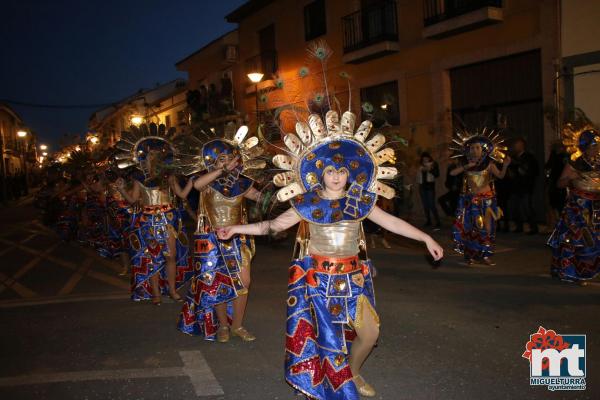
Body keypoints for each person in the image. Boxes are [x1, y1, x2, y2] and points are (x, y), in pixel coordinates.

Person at [218, 110, 443, 399]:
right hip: (318, 281)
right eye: (330, 171)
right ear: (320, 174)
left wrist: (426, 237)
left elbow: (393, 223)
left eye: (341, 171)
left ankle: (353, 371)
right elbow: (272, 226)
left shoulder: (360, 201)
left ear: (349, 173)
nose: (336, 176)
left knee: (370, 333)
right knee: (325, 338)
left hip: (353, 279)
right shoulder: (307, 203)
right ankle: (318, 381)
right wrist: (236, 228)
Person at [176, 126, 265, 343]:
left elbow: (263, 198)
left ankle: (238, 325)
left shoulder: (243, 183)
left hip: (237, 239)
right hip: (211, 240)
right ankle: (223, 325)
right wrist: (221, 170)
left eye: (229, 158)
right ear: (214, 162)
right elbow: (196, 185)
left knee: (244, 282)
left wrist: (285, 192)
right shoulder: (207, 182)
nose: (226, 162)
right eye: (221, 159)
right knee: (217, 283)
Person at [114, 123, 194, 305]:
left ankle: (173, 290)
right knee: (152, 258)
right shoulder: (139, 178)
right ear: (144, 157)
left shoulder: (169, 176)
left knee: (170, 256)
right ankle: (156, 293)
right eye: (151, 154)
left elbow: (181, 195)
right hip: (148, 221)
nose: (154, 157)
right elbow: (133, 200)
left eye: (158, 154)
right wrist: (121, 189)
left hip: (168, 219)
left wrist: (193, 181)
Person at [548, 124, 600, 284]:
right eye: (594, 145)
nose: (597, 148)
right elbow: (559, 184)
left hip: (596, 206)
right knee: (581, 240)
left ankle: (589, 270)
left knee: (596, 239)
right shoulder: (575, 163)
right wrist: (571, 177)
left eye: (598, 145)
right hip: (579, 207)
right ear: (585, 146)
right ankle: (576, 272)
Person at [450, 129, 511, 266]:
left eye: (477, 147)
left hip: (488, 200)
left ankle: (485, 255)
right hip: (472, 201)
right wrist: (466, 166)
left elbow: (500, 176)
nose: (475, 150)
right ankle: (470, 255)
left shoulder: (489, 164)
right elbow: (453, 173)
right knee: (472, 228)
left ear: (483, 150)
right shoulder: (466, 165)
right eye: (472, 147)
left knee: (487, 229)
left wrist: (505, 165)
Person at [507, 138, 539, 234]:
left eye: (517, 145)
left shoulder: (529, 157)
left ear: (521, 146)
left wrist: (524, 172)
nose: (515, 147)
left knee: (526, 207)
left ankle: (533, 227)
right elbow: (511, 171)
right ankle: (519, 226)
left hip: (525, 186)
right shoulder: (513, 157)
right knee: (515, 207)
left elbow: (533, 171)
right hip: (515, 186)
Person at [544, 141, 568, 228]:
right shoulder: (554, 156)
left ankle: (560, 224)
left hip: (561, 185)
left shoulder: (565, 157)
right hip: (554, 184)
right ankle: (555, 223)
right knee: (553, 204)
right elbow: (547, 167)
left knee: (560, 205)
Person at [416, 152, 441, 228]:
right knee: (425, 205)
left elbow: (437, 174)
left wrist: (429, 169)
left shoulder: (433, 164)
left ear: (429, 158)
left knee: (432, 205)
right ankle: (428, 221)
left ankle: (438, 222)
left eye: (426, 157)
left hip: (430, 187)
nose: (425, 159)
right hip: (422, 187)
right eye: (424, 158)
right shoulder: (420, 165)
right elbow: (417, 176)